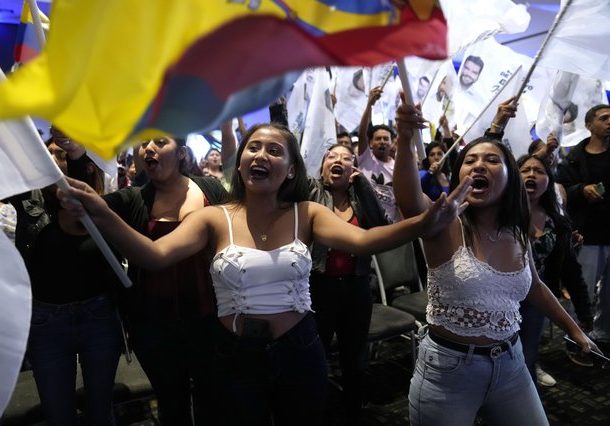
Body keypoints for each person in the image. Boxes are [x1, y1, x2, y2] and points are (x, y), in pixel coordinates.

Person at [58, 122, 471, 426]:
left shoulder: (307, 214)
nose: (261, 155)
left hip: (299, 351)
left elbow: (366, 241)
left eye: (274, 151)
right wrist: (100, 210)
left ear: (291, 170)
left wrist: (425, 223)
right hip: (233, 356)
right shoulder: (213, 218)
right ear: (240, 165)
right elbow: (153, 254)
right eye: (253, 148)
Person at [392, 96, 598, 426]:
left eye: (491, 159)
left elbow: (536, 289)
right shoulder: (445, 222)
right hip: (449, 373)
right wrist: (403, 136)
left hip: (511, 364)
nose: (479, 165)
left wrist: (576, 330)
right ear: (460, 173)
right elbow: (408, 198)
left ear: (508, 177)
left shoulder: (518, 231)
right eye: (470, 160)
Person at [64, 135, 227, 426]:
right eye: (144, 143)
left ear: (182, 153)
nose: (148, 148)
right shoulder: (133, 198)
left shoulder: (210, 190)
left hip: (210, 320)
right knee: (171, 404)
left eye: (160, 142)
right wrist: (77, 157)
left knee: (214, 401)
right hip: (154, 326)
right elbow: (83, 214)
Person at [26, 135, 123, 426]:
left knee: (100, 411)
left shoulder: (99, 206)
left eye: (62, 154)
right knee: (58, 416)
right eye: (50, 154)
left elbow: (77, 198)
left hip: (98, 318)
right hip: (46, 324)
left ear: (89, 168)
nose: (55, 159)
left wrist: (76, 152)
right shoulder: (35, 207)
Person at [308, 144, 388, 425]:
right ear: (322, 166)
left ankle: (353, 411)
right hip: (318, 287)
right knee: (315, 355)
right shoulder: (312, 192)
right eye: (332, 156)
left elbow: (381, 227)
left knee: (354, 357)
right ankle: (315, 410)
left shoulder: (359, 197)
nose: (339, 160)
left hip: (355, 288)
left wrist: (363, 184)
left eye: (346, 158)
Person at [517, 154, 593, 385]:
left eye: (539, 171)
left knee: (526, 359)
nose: (532, 174)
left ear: (549, 181)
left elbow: (570, 269)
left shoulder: (558, 224)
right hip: (496, 299)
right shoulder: (497, 215)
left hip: (536, 300)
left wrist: (584, 310)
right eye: (525, 170)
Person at [557, 104, 610, 352]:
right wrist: (582, 190)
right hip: (587, 235)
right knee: (583, 291)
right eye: (604, 118)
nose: (609, 121)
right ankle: (576, 338)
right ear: (588, 125)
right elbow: (561, 190)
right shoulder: (574, 158)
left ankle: (604, 335)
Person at [357, 86, 398, 222]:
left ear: (392, 143)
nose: (382, 142)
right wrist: (369, 104)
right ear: (370, 143)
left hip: (390, 226)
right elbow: (362, 134)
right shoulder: (366, 159)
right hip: (364, 222)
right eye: (378, 138)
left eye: (386, 139)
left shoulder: (397, 167)